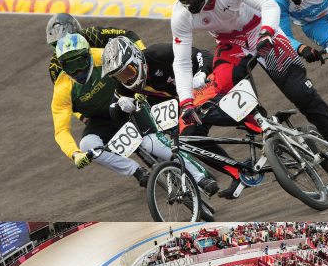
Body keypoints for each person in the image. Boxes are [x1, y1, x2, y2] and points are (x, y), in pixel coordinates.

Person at [163, 0, 328, 184]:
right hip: (232, 44)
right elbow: (182, 63)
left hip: (261, 29)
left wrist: (268, 33)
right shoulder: (181, 15)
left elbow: (269, 5)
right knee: (224, 86)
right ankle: (267, 127)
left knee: (300, 92)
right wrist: (185, 100)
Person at [100, 36, 218, 195]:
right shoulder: (124, 86)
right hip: (170, 111)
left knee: (193, 135)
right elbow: (113, 110)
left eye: (129, 71)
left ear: (137, 60)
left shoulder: (159, 53)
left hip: (194, 95)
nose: (127, 79)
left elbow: (202, 55)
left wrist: (202, 72)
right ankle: (198, 176)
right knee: (152, 140)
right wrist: (121, 106)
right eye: (120, 77)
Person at [51, 34, 171, 187]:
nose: (78, 72)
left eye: (80, 63)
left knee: (154, 138)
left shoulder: (103, 57)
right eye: (70, 67)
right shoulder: (62, 90)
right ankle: (136, 171)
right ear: (62, 67)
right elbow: (61, 131)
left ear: (88, 56)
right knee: (86, 145)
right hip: (101, 119)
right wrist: (75, 154)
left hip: (126, 102)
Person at [46, 13, 145, 84]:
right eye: (57, 44)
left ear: (79, 33)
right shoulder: (55, 68)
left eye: (71, 38)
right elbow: (66, 97)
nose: (66, 46)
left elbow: (128, 35)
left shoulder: (94, 34)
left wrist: (144, 54)